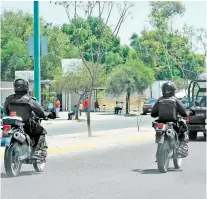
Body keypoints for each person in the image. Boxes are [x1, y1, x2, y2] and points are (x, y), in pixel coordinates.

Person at [4, 78, 55, 161]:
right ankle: (35, 152)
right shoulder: (30, 100)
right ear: (26, 87)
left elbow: (6, 112)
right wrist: (48, 115)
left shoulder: (9, 99)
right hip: (27, 126)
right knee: (41, 131)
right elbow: (41, 113)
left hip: (13, 125)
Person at [151, 81, 189, 158]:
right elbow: (184, 113)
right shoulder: (175, 100)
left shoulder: (159, 100)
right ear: (173, 90)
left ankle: (159, 152)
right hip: (173, 122)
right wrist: (186, 114)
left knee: (158, 130)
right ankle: (182, 148)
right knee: (184, 129)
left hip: (161, 123)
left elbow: (153, 114)